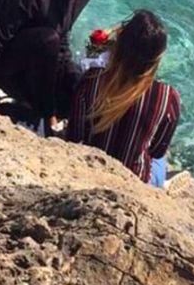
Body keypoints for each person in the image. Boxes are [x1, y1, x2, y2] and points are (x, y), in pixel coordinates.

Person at [67, 9, 181, 186]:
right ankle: (162, 183)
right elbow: (157, 150)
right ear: (158, 57)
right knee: (160, 160)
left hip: (90, 170)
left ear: (118, 45)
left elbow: (74, 136)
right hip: (132, 182)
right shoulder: (167, 96)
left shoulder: (92, 79)